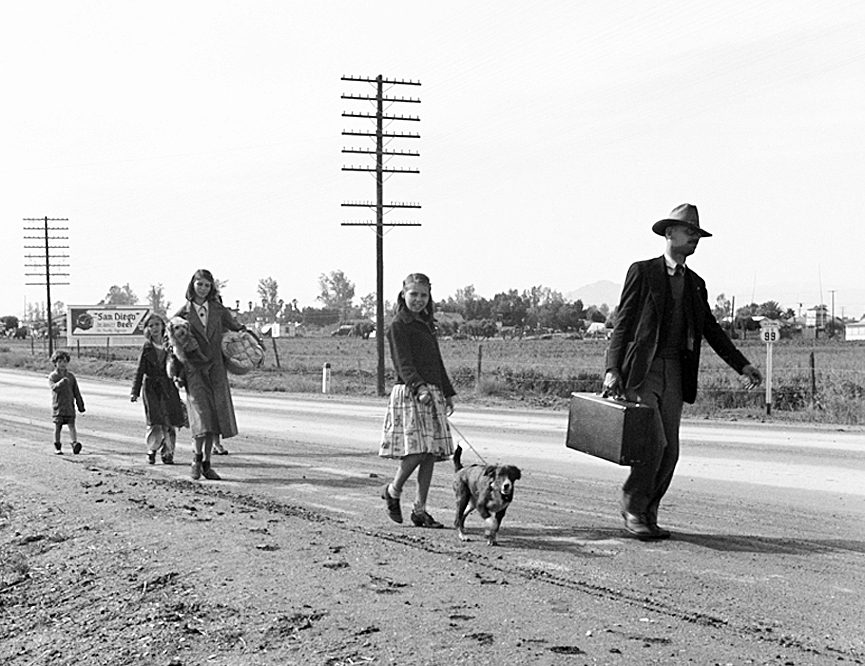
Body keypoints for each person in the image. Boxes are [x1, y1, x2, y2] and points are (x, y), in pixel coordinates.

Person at [603, 204, 762, 540]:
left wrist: (742, 365)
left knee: (670, 451)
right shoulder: (643, 272)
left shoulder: (695, 284)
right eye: (689, 232)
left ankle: (649, 512)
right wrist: (611, 369)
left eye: (697, 234)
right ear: (669, 233)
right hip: (642, 373)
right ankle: (632, 508)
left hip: (676, 373)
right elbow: (623, 324)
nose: (694, 239)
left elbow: (711, 329)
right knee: (653, 445)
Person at [379, 273, 456, 528]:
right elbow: (403, 363)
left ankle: (420, 510)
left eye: (424, 295)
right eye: (414, 294)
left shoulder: (426, 324)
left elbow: (436, 362)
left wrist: (447, 392)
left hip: (431, 391)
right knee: (418, 450)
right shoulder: (398, 326)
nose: (419, 300)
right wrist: (419, 387)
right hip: (412, 392)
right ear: (403, 293)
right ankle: (393, 490)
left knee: (431, 453)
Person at [173, 269, 246, 480]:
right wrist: (177, 370)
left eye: (207, 285)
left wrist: (250, 336)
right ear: (192, 286)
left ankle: (207, 464)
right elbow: (171, 341)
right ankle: (196, 459)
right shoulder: (183, 314)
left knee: (214, 418)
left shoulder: (218, 310)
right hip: (194, 371)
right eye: (199, 284)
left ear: (211, 287)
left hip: (216, 370)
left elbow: (236, 327)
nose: (203, 288)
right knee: (201, 417)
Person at [130, 314, 187, 465]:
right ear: (147, 329)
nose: (154, 328)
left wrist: (181, 378)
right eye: (151, 325)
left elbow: (181, 363)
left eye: (157, 324)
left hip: (168, 387)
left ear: (163, 326)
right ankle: (152, 450)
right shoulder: (147, 347)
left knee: (170, 421)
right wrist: (134, 391)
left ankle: (168, 452)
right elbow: (140, 370)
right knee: (155, 421)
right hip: (151, 388)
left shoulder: (171, 344)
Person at [48, 349, 85, 455]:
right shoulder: (53, 376)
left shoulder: (71, 377)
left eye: (64, 362)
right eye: (60, 362)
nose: (62, 364)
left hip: (69, 407)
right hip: (58, 407)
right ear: (55, 363)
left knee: (72, 426)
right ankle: (57, 446)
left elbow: (76, 392)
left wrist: (80, 405)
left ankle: (74, 443)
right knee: (58, 427)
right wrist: (61, 383)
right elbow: (53, 387)